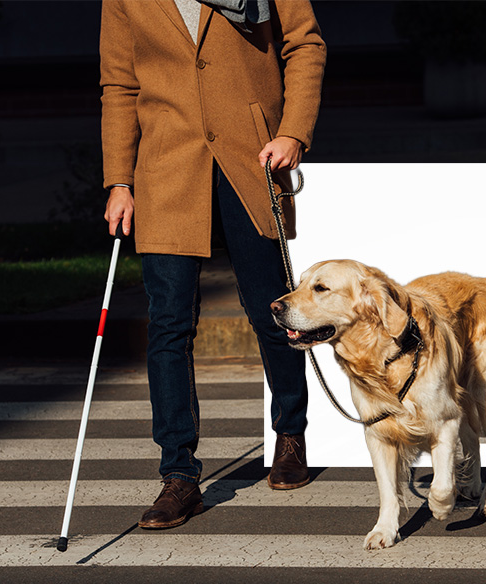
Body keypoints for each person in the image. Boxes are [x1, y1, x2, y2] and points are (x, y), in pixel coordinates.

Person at [100, 0, 326, 529]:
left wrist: (293, 131)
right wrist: (119, 180)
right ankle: (178, 476)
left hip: (250, 158)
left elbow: (305, 43)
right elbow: (119, 85)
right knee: (170, 326)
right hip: (166, 168)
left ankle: (290, 435)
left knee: (273, 310)